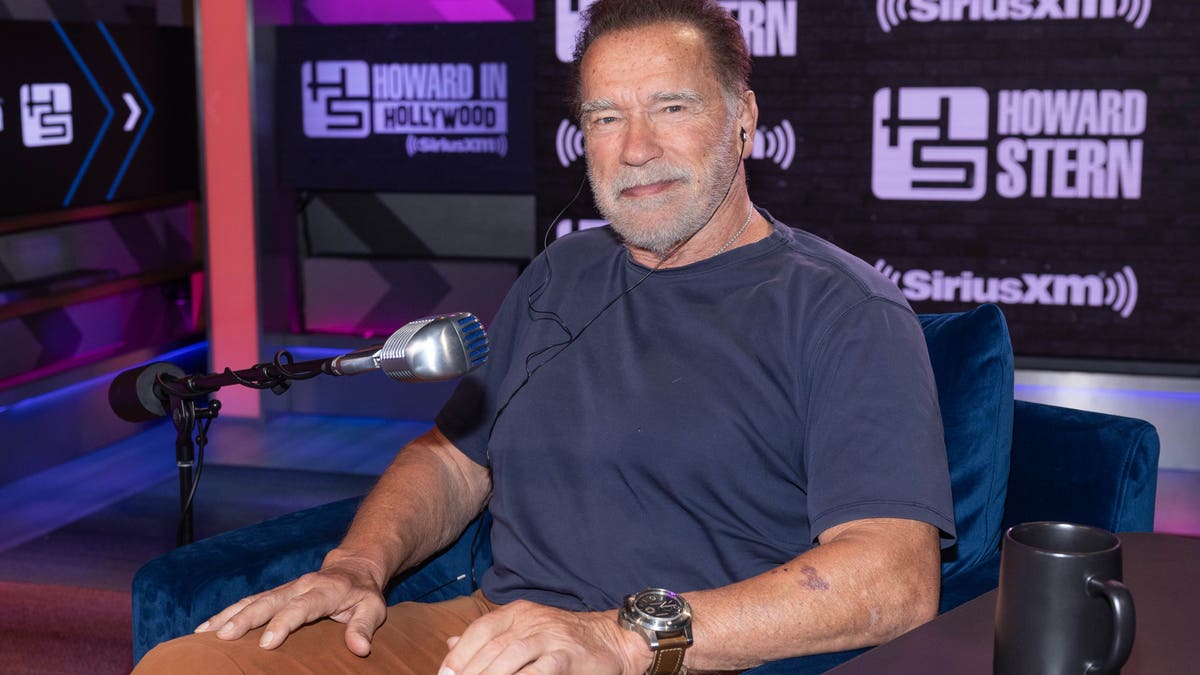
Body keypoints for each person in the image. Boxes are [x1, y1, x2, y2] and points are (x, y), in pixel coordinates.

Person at [135, 1, 955, 673]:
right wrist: (355, 567)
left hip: (674, 656)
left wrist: (618, 636)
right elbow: (454, 459)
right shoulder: (562, 274)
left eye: (672, 107)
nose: (637, 147)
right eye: (606, 116)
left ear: (742, 120)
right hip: (486, 635)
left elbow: (892, 575)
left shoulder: (842, 309)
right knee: (188, 667)